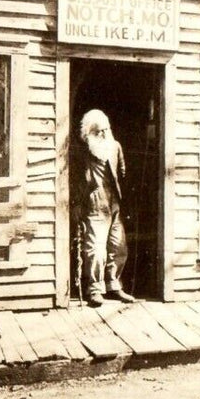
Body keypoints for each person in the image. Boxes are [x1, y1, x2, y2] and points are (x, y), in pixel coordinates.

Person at [71, 109, 135, 307]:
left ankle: (114, 286)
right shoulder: (82, 151)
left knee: (118, 245)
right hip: (93, 204)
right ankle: (95, 290)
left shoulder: (115, 147)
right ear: (88, 133)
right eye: (98, 131)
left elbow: (123, 173)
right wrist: (76, 204)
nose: (104, 134)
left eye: (106, 130)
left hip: (113, 203)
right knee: (96, 249)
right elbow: (73, 179)